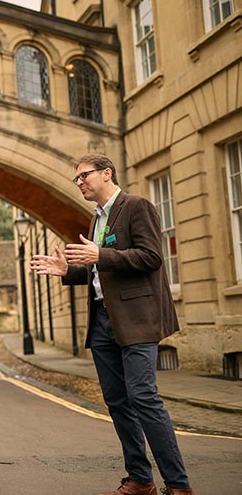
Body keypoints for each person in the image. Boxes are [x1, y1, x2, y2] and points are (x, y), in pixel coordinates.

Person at [30, 154, 193, 495]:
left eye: (84, 176)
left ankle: (178, 486)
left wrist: (100, 256)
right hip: (104, 320)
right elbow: (101, 271)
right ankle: (141, 480)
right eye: (76, 179)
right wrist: (69, 271)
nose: (79, 183)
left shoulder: (136, 206)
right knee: (118, 401)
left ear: (107, 173)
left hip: (137, 320)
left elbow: (151, 257)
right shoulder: (97, 219)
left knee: (143, 397)